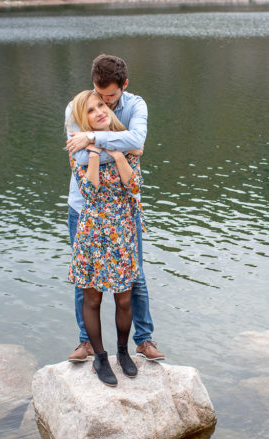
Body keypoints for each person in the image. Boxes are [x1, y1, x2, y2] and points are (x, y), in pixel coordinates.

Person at [65, 54, 165, 363]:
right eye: (99, 94)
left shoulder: (136, 106)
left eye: (109, 98)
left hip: (124, 212)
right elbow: (79, 158)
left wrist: (95, 140)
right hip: (85, 208)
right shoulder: (78, 107)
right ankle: (87, 342)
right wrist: (121, 145)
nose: (103, 102)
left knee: (135, 277)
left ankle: (143, 340)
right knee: (87, 281)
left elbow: (137, 140)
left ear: (124, 86)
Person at [67, 89, 141, 387]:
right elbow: (89, 192)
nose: (99, 111)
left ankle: (123, 353)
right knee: (92, 297)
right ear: (81, 119)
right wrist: (96, 154)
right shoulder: (78, 149)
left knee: (124, 298)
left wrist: (117, 153)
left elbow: (134, 185)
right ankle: (99, 356)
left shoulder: (126, 140)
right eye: (90, 110)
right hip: (93, 229)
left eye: (101, 106)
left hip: (121, 227)